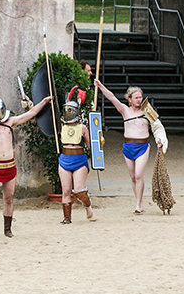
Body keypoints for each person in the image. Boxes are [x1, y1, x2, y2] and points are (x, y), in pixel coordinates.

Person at [0, 94, 54, 240]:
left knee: (9, 199)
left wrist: (43, 101)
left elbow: (30, 114)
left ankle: (7, 230)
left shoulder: (10, 122)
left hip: (9, 167)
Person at [94, 80, 168, 212]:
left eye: (140, 97)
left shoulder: (147, 111)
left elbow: (157, 127)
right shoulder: (125, 110)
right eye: (136, 98)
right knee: (133, 177)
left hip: (142, 146)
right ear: (130, 99)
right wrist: (100, 86)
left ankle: (138, 204)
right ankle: (139, 201)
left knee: (139, 175)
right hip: (128, 145)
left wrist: (160, 140)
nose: (139, 100)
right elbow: (112, 97)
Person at [57, 87, 94, 224]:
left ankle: (88, 206)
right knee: (65, 190)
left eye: (70, 110)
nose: (68, 112)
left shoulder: (83, 128)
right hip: (64, 159)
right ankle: (67, 218)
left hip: (79, 160)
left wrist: (98, 141)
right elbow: (45, 120)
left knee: (78, 190)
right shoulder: (60, 126)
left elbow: (91, 146)